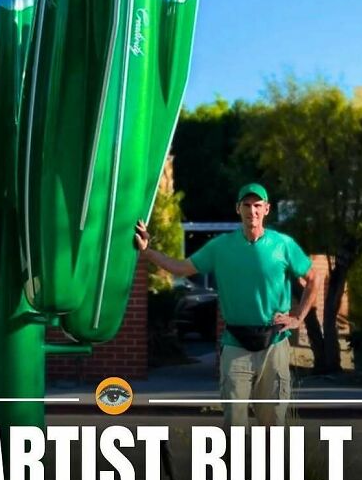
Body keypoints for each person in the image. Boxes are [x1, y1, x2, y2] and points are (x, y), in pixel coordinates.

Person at [135, 183, 322, 428]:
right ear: (238, 209)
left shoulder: (283, 245)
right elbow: (181, 267)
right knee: (234, 423)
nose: (252, 211)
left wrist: (298, 316)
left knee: (274, 423)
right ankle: (238, 467)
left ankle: (269, 467)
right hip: (236, 345)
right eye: (246, 205)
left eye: (257, 205)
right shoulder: (221, 246)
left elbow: (315, 278)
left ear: (266, 209)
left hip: (274, 344)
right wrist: (148, 252)